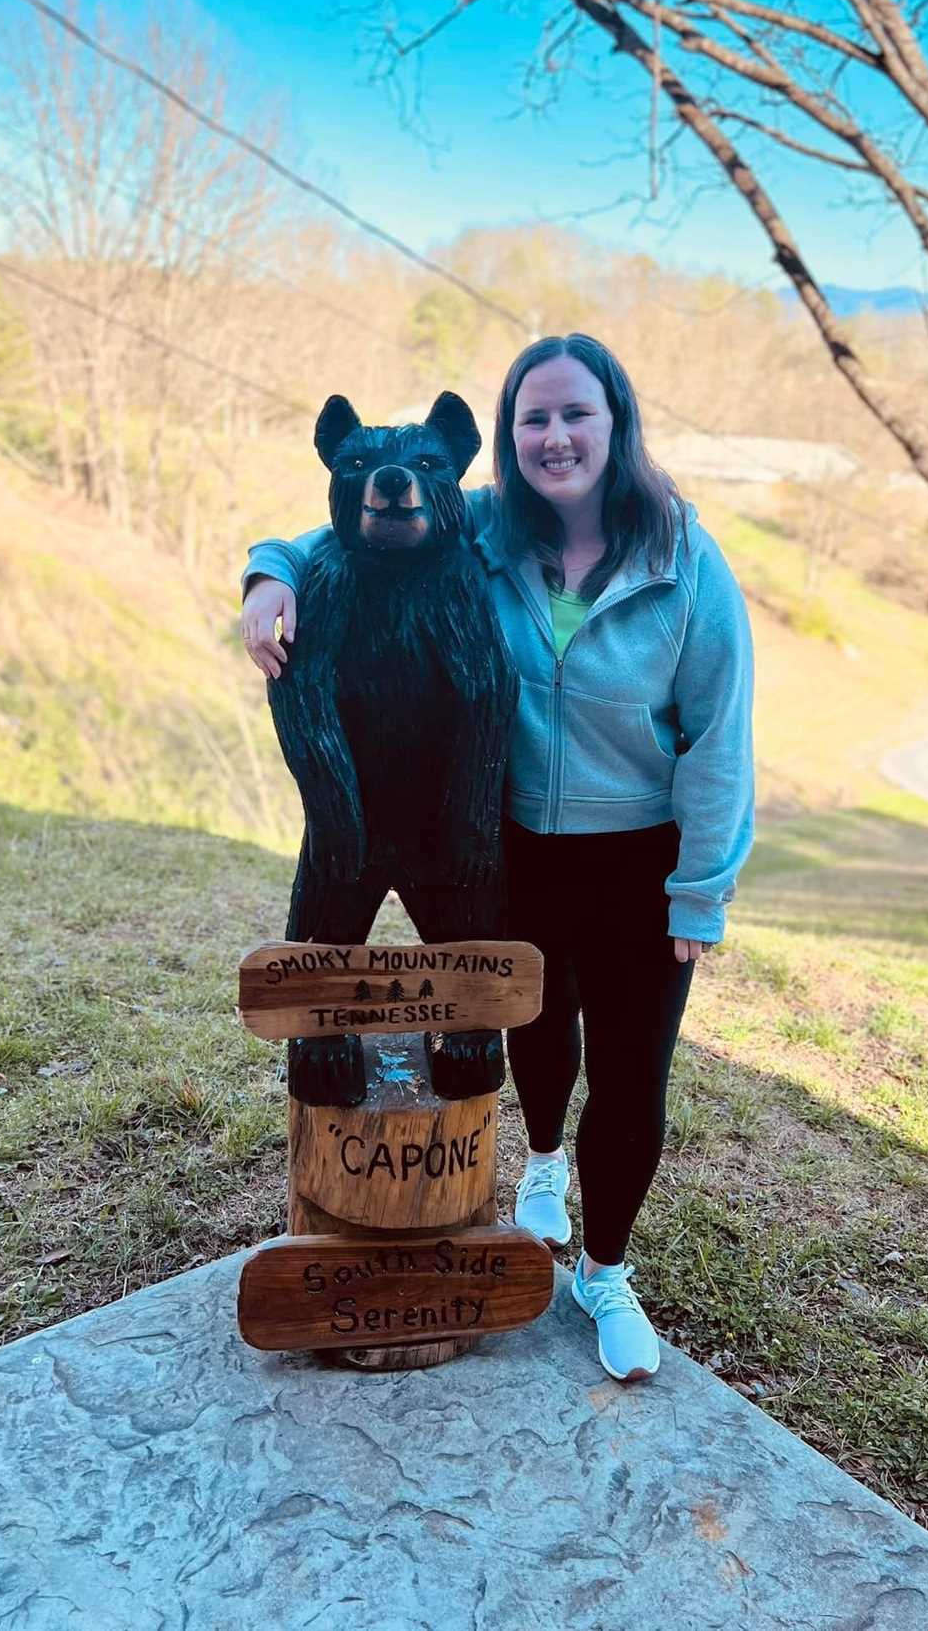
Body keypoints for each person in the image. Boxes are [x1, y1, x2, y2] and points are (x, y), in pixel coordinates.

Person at [241, 334, 754, 1382]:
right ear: (508, 437)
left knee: (630, 1069)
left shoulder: (684, 560)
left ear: (615, 422)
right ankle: (541, 1166)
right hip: (513, 839)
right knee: (530, 1023)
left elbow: (719, 735)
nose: (555, 436)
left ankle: (605, 1272)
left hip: (626, 853)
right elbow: (337, 523)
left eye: (576, 413)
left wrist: (699, 890)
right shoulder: (488, 528)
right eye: (534, 417)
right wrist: (266, 572)